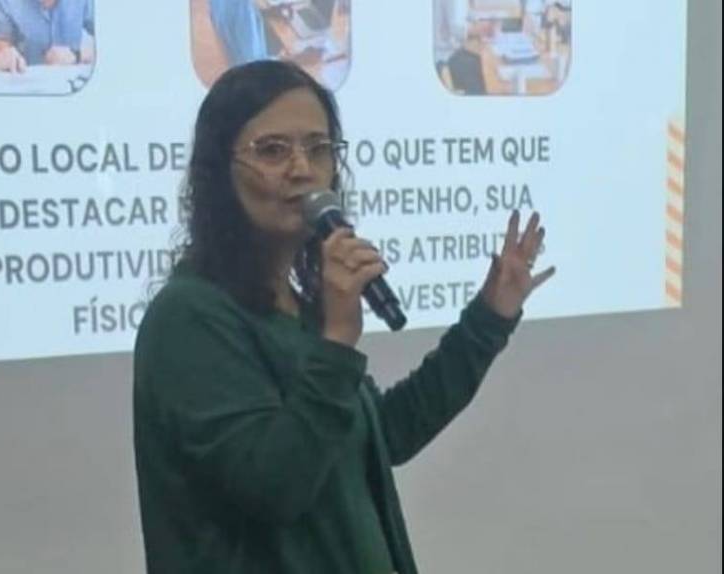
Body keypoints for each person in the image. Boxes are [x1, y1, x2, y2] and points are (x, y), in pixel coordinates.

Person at [132, 60, 554, 574]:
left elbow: (384, 435)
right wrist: (336, 341)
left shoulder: (297, 308)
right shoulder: (188, 317)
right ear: (220, 172)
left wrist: (489, 318)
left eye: (318, 148)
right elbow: (274, 488)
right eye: (272, 150)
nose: (301, 169)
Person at [0, 0, 95, 72]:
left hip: (74, 85)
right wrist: (5, 57)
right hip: (28, 85)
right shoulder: (7, 2)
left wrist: (76, 55)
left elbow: (104, 43)